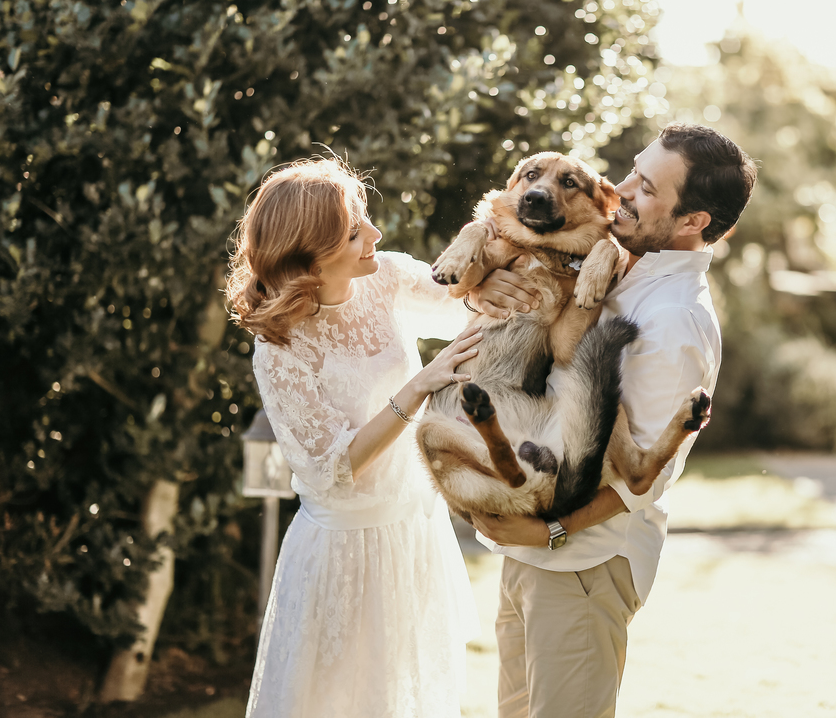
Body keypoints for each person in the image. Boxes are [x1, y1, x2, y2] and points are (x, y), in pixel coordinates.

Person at [225, 158, 538, 718]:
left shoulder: (386, 275)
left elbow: (461, 300)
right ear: (310, 255)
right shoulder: (280, 348)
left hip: (414, 531)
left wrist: (504, 276)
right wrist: (418, 387)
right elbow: (336, 468)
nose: (375, 235)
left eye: (365, 218)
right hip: (344, 550)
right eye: (353, 232)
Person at [471, 123, 757, 717]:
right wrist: (487, 286)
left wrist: (550, 532)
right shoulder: (617, 265)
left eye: (646, 187)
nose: (619, 189)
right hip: (531, 554)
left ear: (692, 221)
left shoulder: (675, 320)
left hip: (582, 561)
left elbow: (644, 473)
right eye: (632, 170)